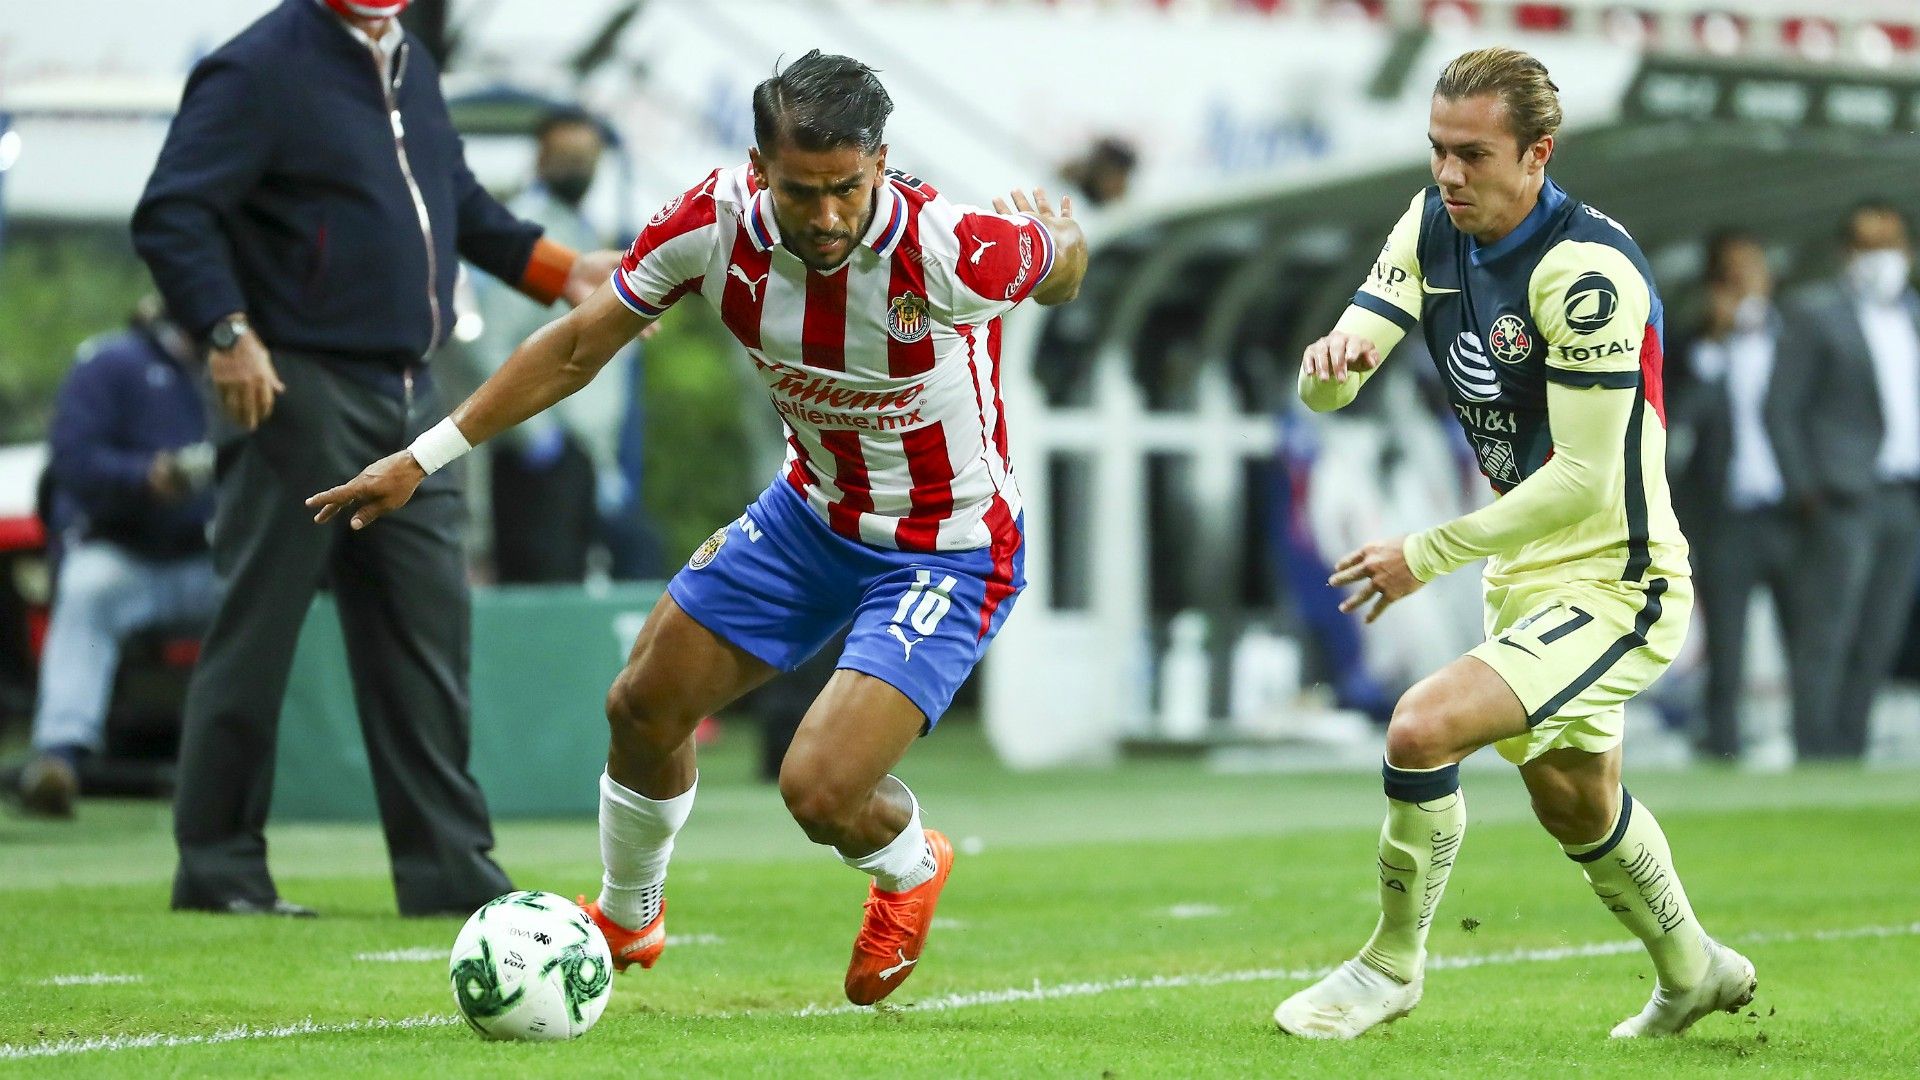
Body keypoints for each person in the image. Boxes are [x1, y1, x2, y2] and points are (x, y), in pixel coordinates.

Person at [308, 50, 1087, 1002]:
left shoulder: (953, 246)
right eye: (805, 192)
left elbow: (1060, 267)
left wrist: (1059, 241)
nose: (831, 216)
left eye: (849, 187)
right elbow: (574, 347)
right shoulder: (711, 226)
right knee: (642, 704)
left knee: (819, 791)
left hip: (950, 547)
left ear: (880, 162)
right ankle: (628, 919)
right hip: (809, 516)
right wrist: (420, 457)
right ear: (761, 170)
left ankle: (910, 866)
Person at [1272, 47, 1754, 1040]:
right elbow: (1337, 377)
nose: (1450, 175)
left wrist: (1425, 552)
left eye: (1475, 156)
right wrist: (1331, 371)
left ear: (1537, 155)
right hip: (1524, 571)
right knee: (1578, 805)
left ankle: (1388, 967)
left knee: (1421, 726)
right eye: (1439, 151)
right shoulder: (1431, 226)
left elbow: (1580, 477)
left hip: (1619, 575)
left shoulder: (1586, 276)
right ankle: (1695, 969)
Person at [131, 0, 618, 916]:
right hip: (295, 385)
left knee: (428, 640)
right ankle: (219, 868)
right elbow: (172, 213)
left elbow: (457, 204)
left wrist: (564, 273)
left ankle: (449, 874)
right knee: (259, 631)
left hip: (411, 392)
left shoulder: (410, 60)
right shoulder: (258, 65)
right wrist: (226, 331)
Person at [15, 301, 218, 818]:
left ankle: (269, 761)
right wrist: (145, 476)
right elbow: (72, 461)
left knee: (277, 594)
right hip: (125, 551)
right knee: (88, 591)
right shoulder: (112, 363)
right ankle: (58, 757)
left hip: (209, 557)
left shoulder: (243, 367)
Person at [467, 107, 660, 582]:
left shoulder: (585, 231)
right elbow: (488, 343)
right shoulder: (531, 235)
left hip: (585, 454)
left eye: (586, 157)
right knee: (543, 593)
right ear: (540, 159)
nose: (577, 167)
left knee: (613, 566)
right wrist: (535, 436)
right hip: (543, 453)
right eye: (565, 156)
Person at [1768, 201, 1920, 762]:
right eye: (1868, 245)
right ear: (1846, 253)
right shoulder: (1815, 313)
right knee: (1828, 631)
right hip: (1841, 495)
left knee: (1880, 633)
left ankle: (1851, 750)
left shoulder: (1912, 313)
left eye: (1890, 244)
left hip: (1903, 493)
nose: (1881, 258)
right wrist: (1804, 488)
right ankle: (1815, 752)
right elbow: (1780, 408)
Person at [1669, 231, 1797, 761]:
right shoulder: (1691, 347)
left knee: (1811, 637)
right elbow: (1678, 425)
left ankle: (1820, 748)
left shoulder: (1795, 336)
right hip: (1726, 517)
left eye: (1754, 267)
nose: (1746, 280)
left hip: (1794, 512)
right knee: (1726, 643)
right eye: (1733, 271)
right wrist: (1715, 343)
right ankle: (1723, 748)